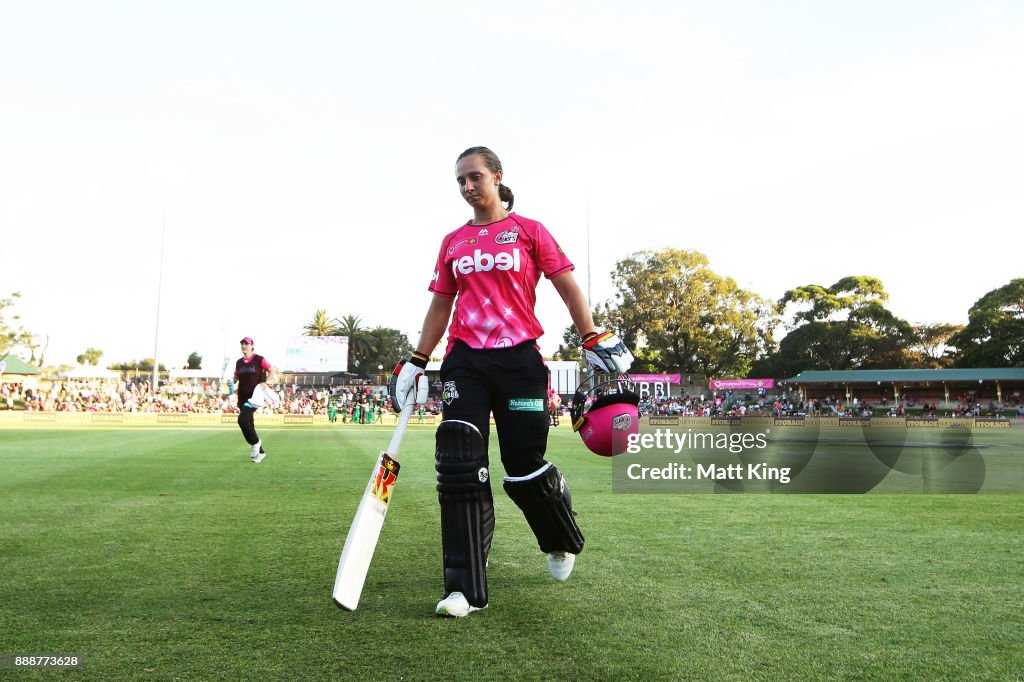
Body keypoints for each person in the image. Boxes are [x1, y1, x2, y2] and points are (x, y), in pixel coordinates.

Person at [390, 146, 633, 618]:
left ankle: (560, 540)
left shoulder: (529, 232)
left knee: (523, 463)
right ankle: (465, 589)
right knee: (459, 459)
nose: (467, 187)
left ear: (498, 177)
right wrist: (419, 359)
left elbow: (566, 286)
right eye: (460, 180)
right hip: (466, 361)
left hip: (520, 360)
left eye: (475, 177)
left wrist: (591, 335)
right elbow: (441, 304)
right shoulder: (453, 243)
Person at [234, 337, 276, 463]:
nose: (244, 346)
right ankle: (260, 453)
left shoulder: (259, 359)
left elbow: (272, 370)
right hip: (242, 396)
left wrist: (266, 381)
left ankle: (256, 443)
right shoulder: (239, 362)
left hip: (254, 396)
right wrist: (232, 381)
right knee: (249, 424)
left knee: (242, 420)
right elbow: (236, 377)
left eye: (246, 344)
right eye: (242, 344)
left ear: (252, 346)